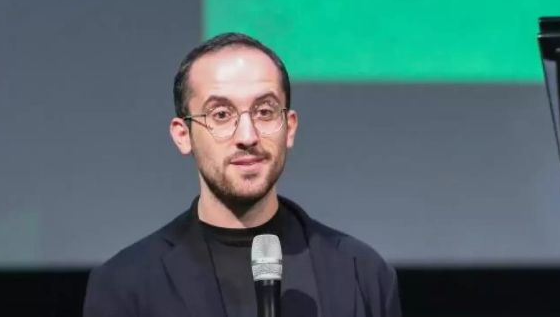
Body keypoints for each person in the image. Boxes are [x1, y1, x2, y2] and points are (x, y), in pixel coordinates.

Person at [83, 33, 401, 317]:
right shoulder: (127, 285)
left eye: (264, 111)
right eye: (221, 114)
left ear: (289, 127)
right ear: (183, 135)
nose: (247, 136)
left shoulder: (362, 274)